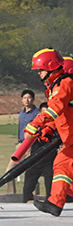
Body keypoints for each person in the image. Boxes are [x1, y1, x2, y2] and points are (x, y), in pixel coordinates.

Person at [24, 49, 73, 216]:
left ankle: (55, 203)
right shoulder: (56, 86)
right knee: (63, 168)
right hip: (70, 138)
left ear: (51, 67)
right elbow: (60, 115)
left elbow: (55, 108)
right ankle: (55, 203)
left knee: (62, 166)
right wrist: (48, 128)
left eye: (40, 69)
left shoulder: (64, 83)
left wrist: (36, 123)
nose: (38, 73)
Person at [5, 90, 39, 194]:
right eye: (24, 98)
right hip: (20, 146)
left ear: (33, 99)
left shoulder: (37, 113)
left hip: (31, 145)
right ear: (21, 99)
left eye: (29, 97)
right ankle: (11, 195)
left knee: (31, 172)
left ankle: (33, 196)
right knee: (9, 171)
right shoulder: (21, 113)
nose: (26, 100)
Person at [22, 101, 56, 203]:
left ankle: (49, 203)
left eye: (48, 115)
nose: (46, 118)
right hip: (35, 159)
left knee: (50, 186)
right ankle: (27, 201)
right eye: (44, 115)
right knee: (27, 186)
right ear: (39, 115)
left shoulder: (56, 126)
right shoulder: (34, 124)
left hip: (50, 160)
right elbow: (26, 137)